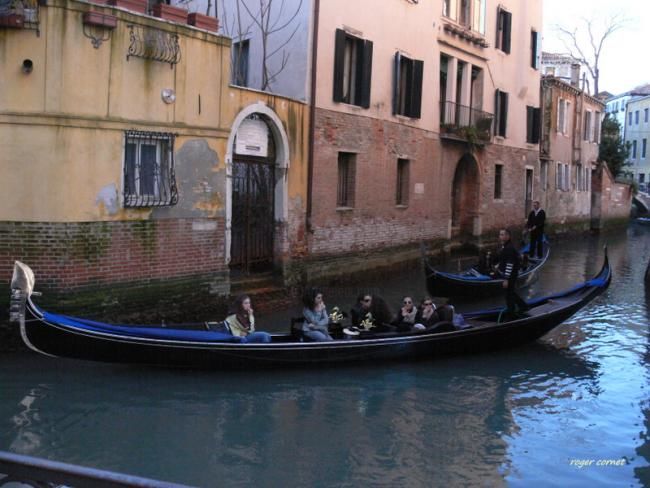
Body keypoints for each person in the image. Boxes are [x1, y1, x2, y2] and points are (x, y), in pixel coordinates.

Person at [495, 229, 528, 317]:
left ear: (508, 236)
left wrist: (506, 279)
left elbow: (510, 264)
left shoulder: (509, 248)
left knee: (509, 294)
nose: (500, 236)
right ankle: (521, 306)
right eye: (500, 234)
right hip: (509, 273)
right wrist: (499, 265)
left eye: (502, 235)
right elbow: (505, 259)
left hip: (511, 275)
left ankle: (513, 310)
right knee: (510, 292)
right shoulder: (505, 246)